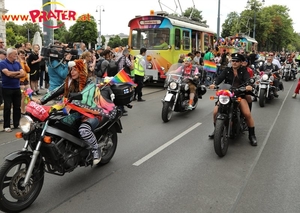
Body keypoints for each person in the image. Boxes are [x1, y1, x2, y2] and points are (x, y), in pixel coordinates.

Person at [36, 59, 116, 165]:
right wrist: (41, 100)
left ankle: (95, 150)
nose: (72, 72)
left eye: (74, 70)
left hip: (90, 112)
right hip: (74, 112)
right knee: (53, 121)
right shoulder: (70, 82)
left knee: (84, 130)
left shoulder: (90, 84)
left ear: (81, 71)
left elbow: (84, 97)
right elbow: (56, 91)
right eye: (71, 70)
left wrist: (73, 100)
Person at [208, 53, 257, 146]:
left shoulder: (244, 70)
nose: (234, 63)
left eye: (236, 61)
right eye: (233, 61)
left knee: (247, 114)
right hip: (226, 95)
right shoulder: (227, 70)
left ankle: (252, 135)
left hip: (239, 95)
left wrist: (249, 86)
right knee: (215, 112)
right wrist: (214, 83)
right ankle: (217, 129)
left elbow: (248, 80)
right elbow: (219, 78)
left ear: (241, 62)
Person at [0, 48, 26, 132]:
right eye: (15, 54)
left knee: (17, 106)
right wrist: (17, 73)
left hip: (16, 87)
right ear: (10, 55)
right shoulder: (2, 63)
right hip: (7, 88)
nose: (16, 56)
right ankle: (6, 125)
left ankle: (16, 123)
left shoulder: (17, 63)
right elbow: (7, 73)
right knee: (7, 107)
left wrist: (13, 74)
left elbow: (23, 74)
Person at [17, 49, 31, 114]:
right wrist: (21, 61)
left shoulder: (24, 61)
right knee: (23, 96)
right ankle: (22, 110)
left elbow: (28, 70)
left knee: (27, 95)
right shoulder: (17, 62)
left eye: (23, 55)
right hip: (21, 80)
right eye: (21, 55)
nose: (22, 56)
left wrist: (25, 62)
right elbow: (21, 69)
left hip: (26, 80)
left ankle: (25, 108)